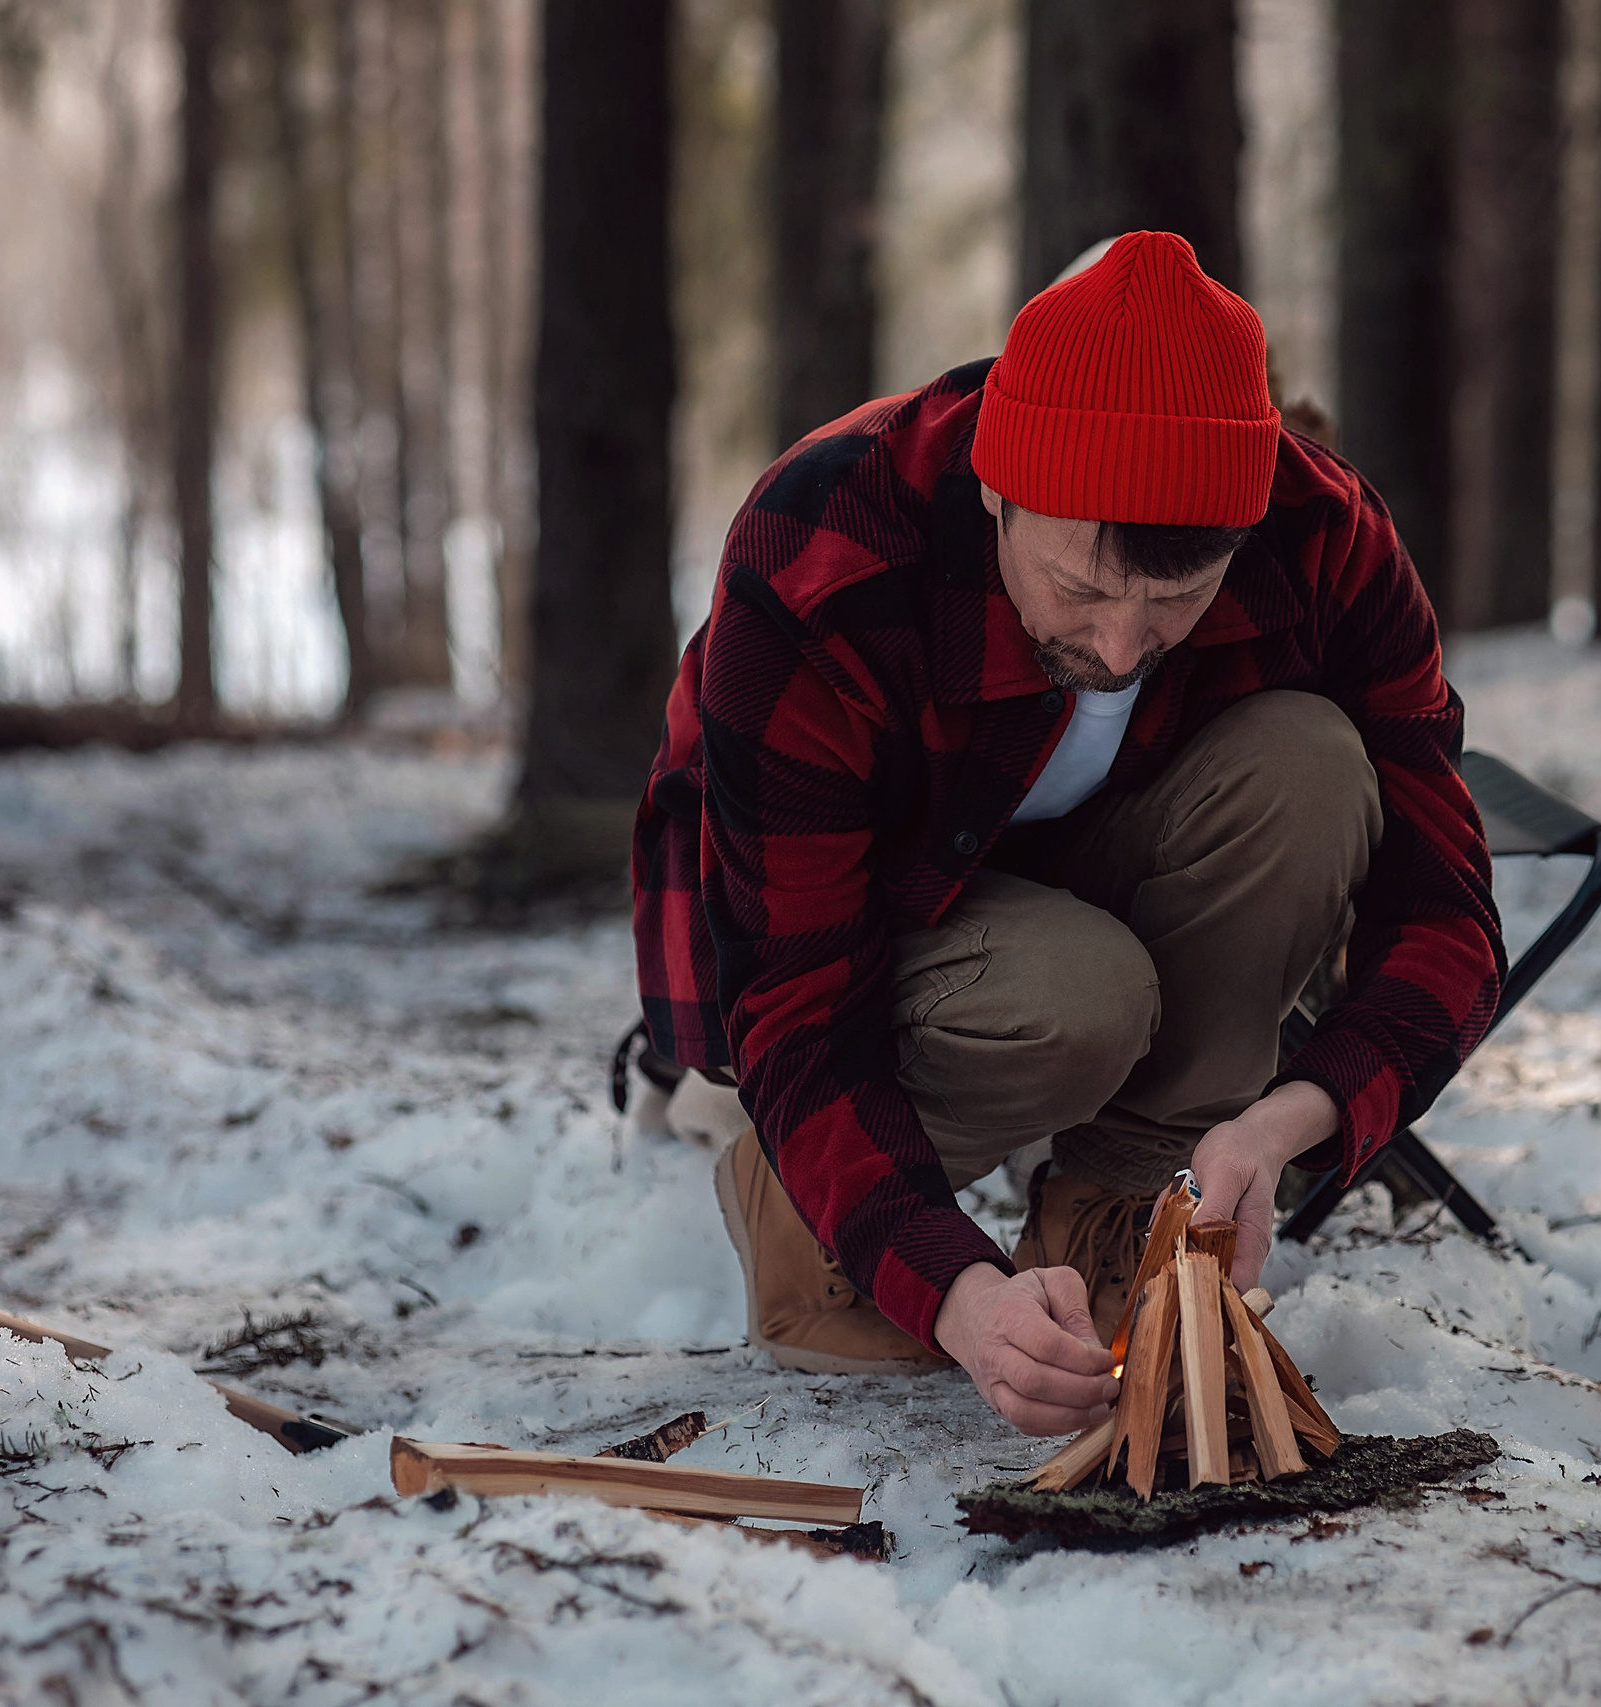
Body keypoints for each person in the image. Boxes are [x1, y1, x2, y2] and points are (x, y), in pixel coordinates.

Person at [631, 232, 1504, 1436]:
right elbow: (794, 999)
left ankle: (1118, 1200)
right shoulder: (825, 545)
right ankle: (799, 1199)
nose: (1119, 650)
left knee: (1307, 763)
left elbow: (1448, 914)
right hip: (855, 939)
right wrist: (954, 1292)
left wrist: (1282, 1116)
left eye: (1177, 600)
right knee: (1077, 992)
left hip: (1083, 866)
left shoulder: (1328, 538)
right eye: (1081, 589)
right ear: (997, 484)